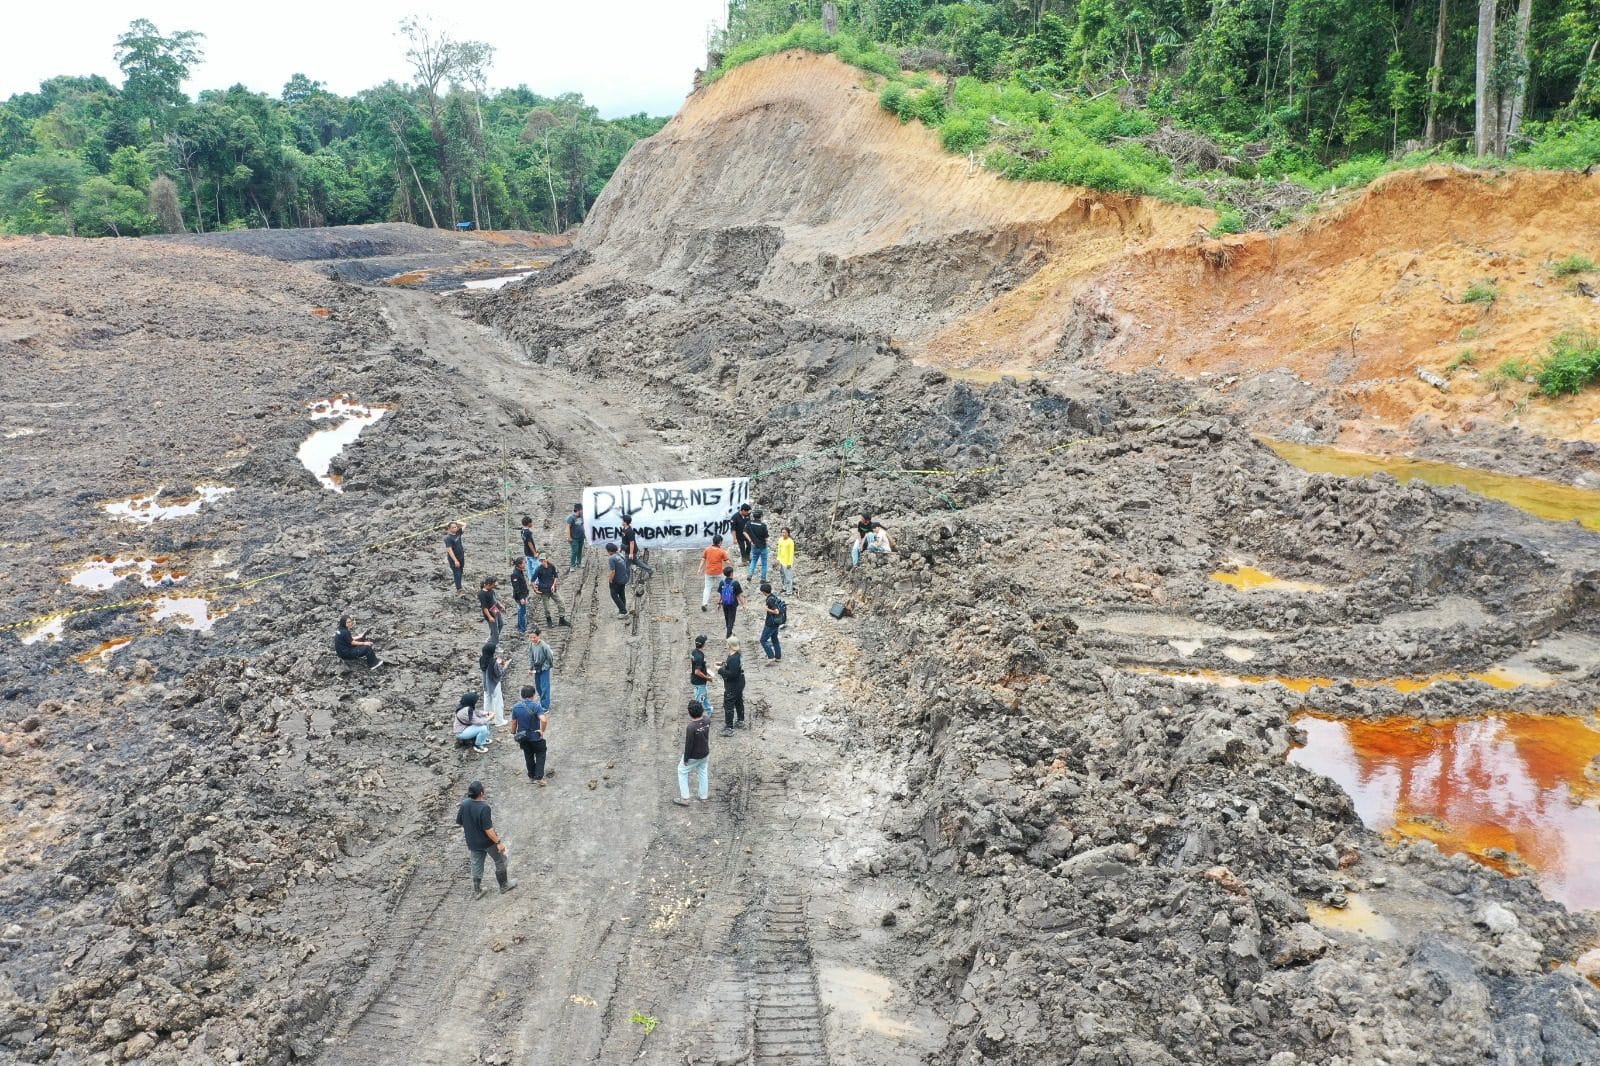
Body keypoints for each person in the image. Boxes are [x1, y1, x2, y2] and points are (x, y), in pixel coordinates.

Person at [455, 780, 515, 899]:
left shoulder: (464, 804)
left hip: (472, 842)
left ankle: (478, 891)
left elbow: (460, 822)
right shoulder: (484, 807)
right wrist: (499, 843)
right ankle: (504, 885)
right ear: (481, 793)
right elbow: (488, 829)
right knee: (500, 860)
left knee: (476, 864)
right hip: (487, 842)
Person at [674, 700, 712, 806]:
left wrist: (686, 759)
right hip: (705, 753)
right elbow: (704, 720)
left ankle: (685, 798)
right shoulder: (707, 720)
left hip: (694, 756)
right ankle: (703, 797)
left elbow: (689, 745)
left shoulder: (691, 727)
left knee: (682, 771)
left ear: (689, 713)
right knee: (703, 772)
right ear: (702, 710)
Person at [511, 685, 550, 784]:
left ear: (522, 695)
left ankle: (531, 776)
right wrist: (542, 730)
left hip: (523, 737)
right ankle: (539, 777)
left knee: (528, 756)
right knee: (540, 754)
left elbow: (514, 723)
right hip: (535, 737)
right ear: (533, 695)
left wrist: (513, 733)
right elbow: (544, 720)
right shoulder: (536, 706)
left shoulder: (516, 707)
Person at [531, 553, 570, 627]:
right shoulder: (538, 569)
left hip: (552, 589)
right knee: (547, 608)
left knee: (561, 603)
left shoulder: (552, 566)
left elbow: (555, 576)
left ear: (546, 559)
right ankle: (549, 621)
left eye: (543, 560)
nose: (542, 561)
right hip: (544, 591)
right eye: (541, 560)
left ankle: (562, 620)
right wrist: (535, 590)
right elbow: (532, 581)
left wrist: (553, 585)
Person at [716, 639, 746, 735]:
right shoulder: (737, 655)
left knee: (728, 705)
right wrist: (724, 664)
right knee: (738, 701)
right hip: (740, 682)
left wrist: (720, 670)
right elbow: (734, 668)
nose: (725, 644)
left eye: (727, 643)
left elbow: (732, 674)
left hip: (733, 685)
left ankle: (729, 728)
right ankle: (740, 720)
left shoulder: (733, 658)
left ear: (730, 645)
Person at [480, 641, 510, 726]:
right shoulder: (493, 662)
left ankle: (489, 720)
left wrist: (497, 662)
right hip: (494, 684)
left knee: (487, 701)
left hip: (486, 684)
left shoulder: (482, 659)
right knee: (497, 702)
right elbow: (499, 673)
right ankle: (499, 721)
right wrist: (505, 665)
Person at [527, 627, 554, 713]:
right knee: (538, 686)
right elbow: (531, 656)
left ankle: (545, 706)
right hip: (537, 668)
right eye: (530, 637)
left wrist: (547, 666)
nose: (532, 639)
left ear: (539, 636)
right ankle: (542, 702)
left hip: (544, 668)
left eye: (534, 637)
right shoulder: (531, 644)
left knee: (545, 687)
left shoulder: (543, 645)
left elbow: (550, 656)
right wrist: (531, 668)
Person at [620, 514, 655, 580]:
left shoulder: (630, 531)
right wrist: (621, 549)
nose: (621, 522)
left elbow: (632, 543)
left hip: (630, 551)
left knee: (626, 566)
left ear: (625, 522)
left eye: (622, 521)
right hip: (628, 549)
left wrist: (631, 553)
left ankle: (626, 580)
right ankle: (650, 570)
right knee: (636, 562)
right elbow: (624, 540)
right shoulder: (624, 529)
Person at [701, 535, 730, 612]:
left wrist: (699, 569)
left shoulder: (707, 549)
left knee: (707, 588)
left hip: (709, 572)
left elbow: (703, 560)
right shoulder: (722, 551)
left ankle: (704, 603)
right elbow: (727, 562)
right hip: (718, 572)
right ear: (720, 542)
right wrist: (728, 556)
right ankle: (726, 601)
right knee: (724, 586)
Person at [758, 582, 783, 664]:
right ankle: (778, 657)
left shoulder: (770, 600)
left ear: (764, 592)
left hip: (770, 623)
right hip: (776, 622)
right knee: (775, 639)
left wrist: (767, 609)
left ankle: (771, 656)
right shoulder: (774, 596)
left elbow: (776, 611)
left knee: (763, 640)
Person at [717, 565, 744, 639]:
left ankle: (729, 632)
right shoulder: (735, 583)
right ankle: (728, 636)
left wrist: (719, 603)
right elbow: (739, 595)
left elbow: (721, 594)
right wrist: (743, 605)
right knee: (731, 620)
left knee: (727, 619)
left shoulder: (722, 582)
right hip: (733, 604)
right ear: (731, 573)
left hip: (724, 604)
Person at [690, 634, 713, 716]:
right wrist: (707, 678)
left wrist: (707, 671)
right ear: (703, 644)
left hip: (696, 681)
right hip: (699, 683)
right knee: (699, 700)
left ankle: (709, 710)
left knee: (704, 696)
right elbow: (697, 672)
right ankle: (698, 715)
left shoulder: (694, 652)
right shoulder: (699, 657)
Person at [746, 509, 770, 583]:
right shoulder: (763, 525)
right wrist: (766, 543)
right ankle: (763, 579)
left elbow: (744, 532)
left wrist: (750, 541)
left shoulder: (749, 523)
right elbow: (766, 537)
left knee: (753, 560)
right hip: (763, 546)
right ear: (761, 516)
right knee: (764, 563)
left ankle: (750, 575)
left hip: (754, 546)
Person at [606, 543, 630, 617]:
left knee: (614, 595)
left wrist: (610, 580)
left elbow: (613, 571)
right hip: (624, 578)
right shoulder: (620, 555)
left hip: (617, 580)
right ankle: (622, 609)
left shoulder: (611, 558)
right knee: (621, 594)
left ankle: (623, 611)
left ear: (609, 551)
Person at [508, 556, 530, 635]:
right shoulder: (515, 574)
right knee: (522, 612)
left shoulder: (519, 571)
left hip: (523, 595)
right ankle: (522, 629)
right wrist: (521, 598)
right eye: (524, 563)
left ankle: (520, 627)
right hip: (520, 596)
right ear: (520, 565)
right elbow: (516, 587)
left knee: (521, 611)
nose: (525, 564)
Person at [479, 576, 504, 643]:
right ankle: (495, 644)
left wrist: (500, 606)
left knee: (500, 624)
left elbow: (495, 600)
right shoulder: (481, 594)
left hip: (496, 610)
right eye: (493, 584)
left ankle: (492, 637)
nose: (494, 586)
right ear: (488, 584)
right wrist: (489, 617)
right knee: (495, 630)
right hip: (489, 613)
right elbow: (484, 607)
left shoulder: (491, 591)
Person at [444, 522, 466, 594]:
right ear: (449, 529)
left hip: (461, 557)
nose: (455, 528)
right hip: (454, 559)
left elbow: (465, 524)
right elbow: (449, 550)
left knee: (461, 572)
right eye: (453, 527)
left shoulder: (458, 533)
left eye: (456, 527)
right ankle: (459, 590)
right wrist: (455, 560)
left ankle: (459, 586)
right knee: (457, 573)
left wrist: (456, 522)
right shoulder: (448, 538)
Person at [775, 527, 797, 595]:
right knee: (782, 575)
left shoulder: (790, 542)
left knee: (788, 577)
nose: (783, 534)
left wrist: (789, 563)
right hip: (781, 561)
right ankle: (784, 587)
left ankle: (789, 591)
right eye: (782, 532)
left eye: (785, 532)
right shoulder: (780, 540)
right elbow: (779, 550)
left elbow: (791, 553)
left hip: (787, 562)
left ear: (788, 533)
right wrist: (778, 559)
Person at [519, 516, 539, 585]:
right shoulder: (528, 532)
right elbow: (529, 543)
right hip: (530, 552)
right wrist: (534, 553)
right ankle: (536, 581)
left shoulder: (522, 531)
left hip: (526, 551)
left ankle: (531, 580)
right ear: (528, 523)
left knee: (529, 567)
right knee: (536, 566)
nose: (532, 524)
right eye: (531, 522)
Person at [566, 503, 585, 571]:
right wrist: (568, 537)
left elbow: (583, 525)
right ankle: (572, 565)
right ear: (578, 510)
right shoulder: (571, 518)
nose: (583, 511)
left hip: (581, 537)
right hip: (574, 538)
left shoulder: (582, 516)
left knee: (580, 551)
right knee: (575, 551)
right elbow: (567, 528)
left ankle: (579, 563)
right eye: (582, 510)